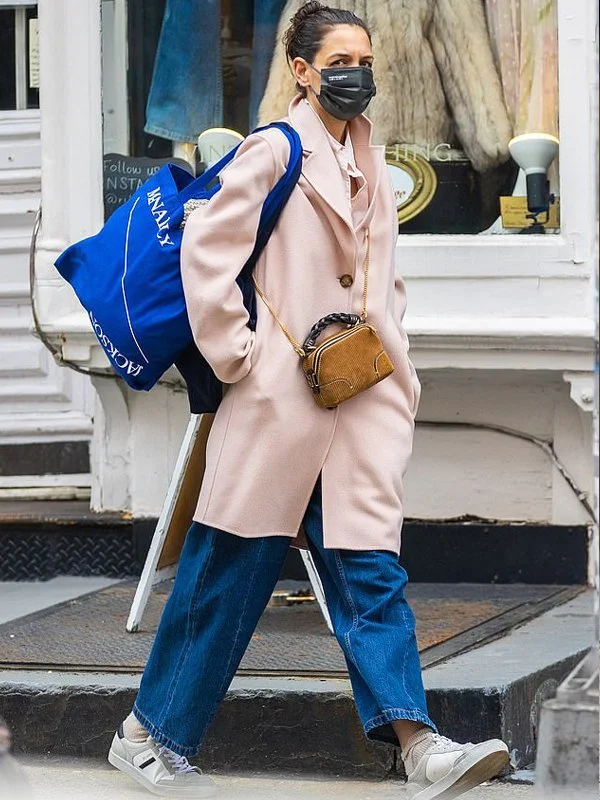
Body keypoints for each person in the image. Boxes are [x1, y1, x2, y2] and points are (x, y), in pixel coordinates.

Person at [108, 3, 510, 798]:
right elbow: (205, 251)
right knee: (228, 572)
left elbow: (381, 283)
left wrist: (400, 366)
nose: (357, 72)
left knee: (371, 572)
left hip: (356, 401)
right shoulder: (273, 151)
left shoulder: (372, 160)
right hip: (279, 407)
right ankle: (145, 737)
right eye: (340, 58)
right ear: (302, 70)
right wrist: (239, 357)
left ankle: (419, 746)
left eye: (365, 57)